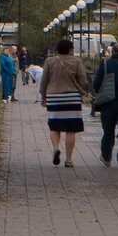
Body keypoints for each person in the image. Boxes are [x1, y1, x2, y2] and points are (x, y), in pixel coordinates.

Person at [40, 38, 91, 167]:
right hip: (72, 97)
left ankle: (56, 148)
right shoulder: (76, 61)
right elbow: (83, 80)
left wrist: (43, 95)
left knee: (54, 126)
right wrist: (85, 90)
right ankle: (68, 159)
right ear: (70, 49)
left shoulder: (50, 61)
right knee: (71, 129)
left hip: (54, 97)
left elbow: (44, 79)